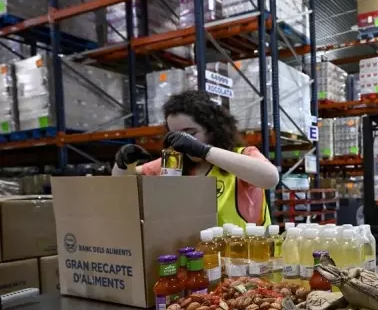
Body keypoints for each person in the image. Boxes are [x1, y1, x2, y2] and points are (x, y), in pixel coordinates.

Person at [112, 91, 280, 227]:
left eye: (191, 134)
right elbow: (122, 184)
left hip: (247, 259)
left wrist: (204, 151)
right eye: (176, 136)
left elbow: (270, 178)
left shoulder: (243, 155)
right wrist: (123, 163)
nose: (184, 143)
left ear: (213, 129)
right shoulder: (174, 162)